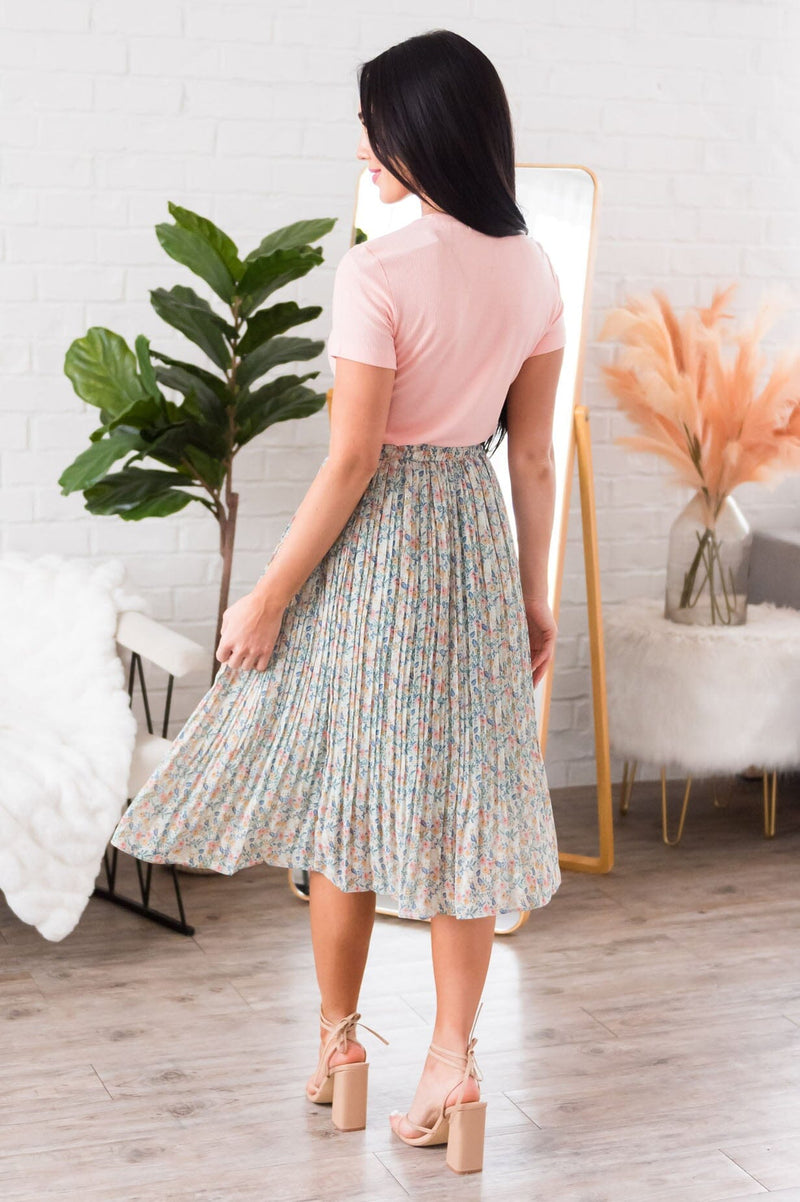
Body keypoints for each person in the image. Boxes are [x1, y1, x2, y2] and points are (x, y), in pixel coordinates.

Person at [110, 28, 565, 1176]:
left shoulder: (379, 271)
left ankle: (339, 1044)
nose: (363, 144)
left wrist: (266, 595)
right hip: (473, 539)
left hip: (377, 555)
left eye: (375, 123)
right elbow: (531, 458)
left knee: (347, 802)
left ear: (423, 130)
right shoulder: (534, 270)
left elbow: (353, 459)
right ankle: (450, 1061)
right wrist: (533, 592)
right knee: (464, 804)